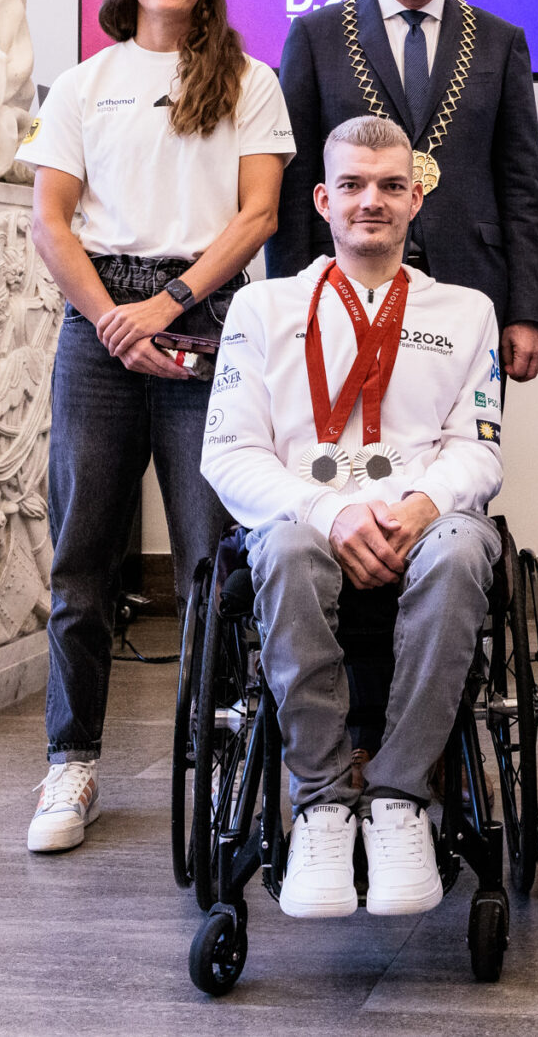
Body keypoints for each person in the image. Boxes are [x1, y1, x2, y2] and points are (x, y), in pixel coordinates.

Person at [19, 0, 294, 854]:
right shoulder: (84, 84)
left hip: (208, 320)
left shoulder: (248, 82)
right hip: (98, 329)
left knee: (211, 562)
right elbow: (51, 222)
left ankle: (217, 753)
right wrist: (111, 319)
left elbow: (259, 216)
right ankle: (72, 764)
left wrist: (167, 304)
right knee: (79, 563)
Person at [203, 115, 506, 919]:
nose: (371, 200)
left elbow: (478, 450)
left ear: (416, 199)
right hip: (302, 517)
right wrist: (330, 512)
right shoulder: (262, 307)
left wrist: (420, 507)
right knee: (290, 549)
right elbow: (229, 454)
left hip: (424, 520)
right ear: (323, 200)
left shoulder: (470, 310)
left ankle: (402, 795)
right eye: (353, 186)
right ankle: (324, 802)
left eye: (390, 186)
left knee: (463, 551)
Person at [271, 0, 538, 382]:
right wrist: (290, 299)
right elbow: (292, 184)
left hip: (469, 291)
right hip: (341, 290)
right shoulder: (316, 37)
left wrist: (527, 311)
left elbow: (521, 186)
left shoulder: (500, 42)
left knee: (462, 452)